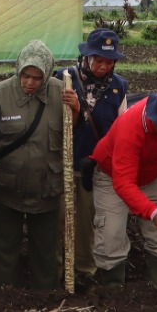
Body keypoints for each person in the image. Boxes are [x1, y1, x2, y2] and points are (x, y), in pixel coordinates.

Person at [0, 41, 80, 289]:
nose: (30, 82)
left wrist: (76, 107)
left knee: (46, 248)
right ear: (18, 70)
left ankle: (46, 296)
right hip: (6, 188)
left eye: (36, 78)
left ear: (46, 75)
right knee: (5, 245)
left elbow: (72, 131)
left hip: (47, 188)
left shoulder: (61, 92)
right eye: (25, 76)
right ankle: (3, 296)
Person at [87, 87, 157, 286]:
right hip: (112, 177)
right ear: (153, 117)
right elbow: (123, 183)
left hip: (152, 177)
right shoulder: (131, 129)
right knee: (111, 235)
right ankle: (113, 292)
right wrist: (153, 212)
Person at [58, 28, 128, 286]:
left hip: (97, 166)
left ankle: (85, 269)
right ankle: (59, 268)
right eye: (98, 59)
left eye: (109, 61)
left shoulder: (119, 87)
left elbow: (121, 128)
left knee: (89, 219)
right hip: (64, 161)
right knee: (60, 217)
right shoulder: (65, 78)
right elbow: (57, 121)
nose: (103, 66)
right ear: (87, 57)